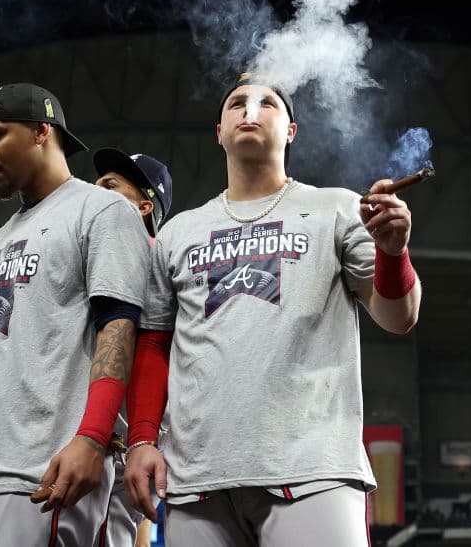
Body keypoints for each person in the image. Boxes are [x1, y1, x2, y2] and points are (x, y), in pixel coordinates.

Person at [123, 72, 422, 546]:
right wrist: (141, 440)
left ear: (290, 131)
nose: (249, 110)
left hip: (313, 472)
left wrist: (392, 252)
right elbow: (154, 344)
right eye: (237, 103)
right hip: (197, 479)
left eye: (266, 104)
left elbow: (398, 316)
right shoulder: (180, 232)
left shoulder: (339, 209)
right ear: (219, 131)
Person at [0, 83, 150, 547]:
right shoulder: (2, 237)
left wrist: (94, 437)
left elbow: (118, 329)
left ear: (42, 131)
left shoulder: (101, 209)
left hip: (40, 466)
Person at [92, 148, 173, 546]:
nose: (95, 193)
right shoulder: (88, 255)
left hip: (122, 440)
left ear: (144, 206)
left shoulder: (160, 258)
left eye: (110, 186)